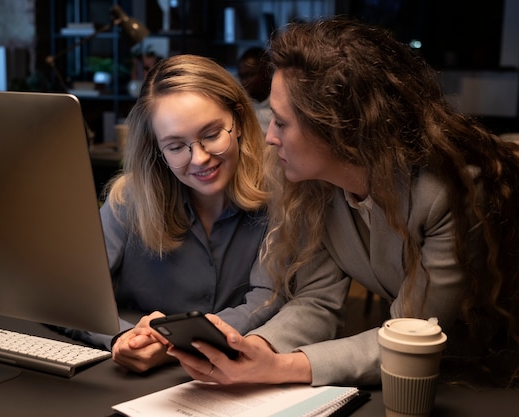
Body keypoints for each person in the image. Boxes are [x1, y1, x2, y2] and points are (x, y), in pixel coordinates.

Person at [166, 18, 519, 388]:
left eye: (282, 123)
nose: (269, 137)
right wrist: (255, 349)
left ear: (338, 127)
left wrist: (282, 369)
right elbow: (317, 299)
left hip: (493, 375)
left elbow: (414, 336)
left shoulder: (450, 192)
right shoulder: (312, 186)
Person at [62, 54, 282, 373]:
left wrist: (174, 342)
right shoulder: (128, 199)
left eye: (210, 134)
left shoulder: (279, 199)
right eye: (176, 146)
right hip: (128, 381)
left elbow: (265, 303)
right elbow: (72, 294)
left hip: (233, 375)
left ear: (238, 120)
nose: (200, 159)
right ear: (157, 149)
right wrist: (123, 336)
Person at [237, 47, 272, 135]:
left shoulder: (282, 101)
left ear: (266, 72)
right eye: (241, 77)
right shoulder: (241, 106)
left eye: (249, 75)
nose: (244, 82)